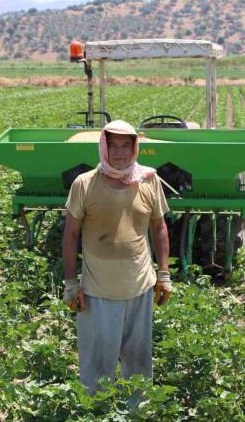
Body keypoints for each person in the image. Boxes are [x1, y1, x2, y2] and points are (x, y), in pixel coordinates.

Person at [62, 119, 172, 396]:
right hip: (97, 290)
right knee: (97, 361)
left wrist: (164, 274)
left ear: (135, 148)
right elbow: (71, 234)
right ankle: (96, 419)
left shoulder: (149, 180)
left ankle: (135, 415)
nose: (120, 153)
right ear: (103, 148)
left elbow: (159, 227)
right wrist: (71, 283)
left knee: (138, 359)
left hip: (140, 287)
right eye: (114, 146)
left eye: (126, 146)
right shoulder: (84, 184)